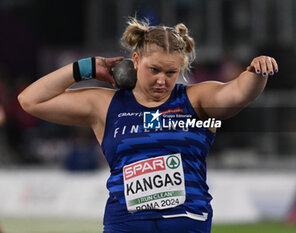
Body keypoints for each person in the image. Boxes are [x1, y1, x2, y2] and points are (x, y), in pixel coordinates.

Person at [18, 18, 278, 233]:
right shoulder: (106, 105)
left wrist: (257, 71)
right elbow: (30, 101)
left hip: (186, 222)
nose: (162, 80)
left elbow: (239, 93)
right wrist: (86, 68)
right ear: (135, 60)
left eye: (170, 72)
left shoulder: (196, 99)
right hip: (125, 224)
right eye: (154, 69)